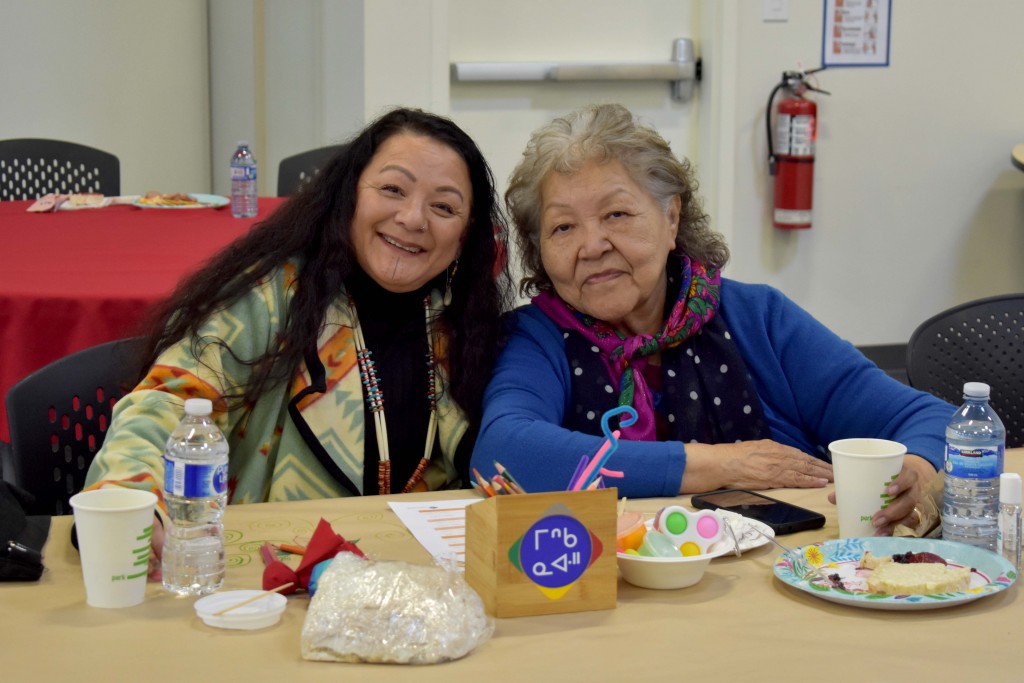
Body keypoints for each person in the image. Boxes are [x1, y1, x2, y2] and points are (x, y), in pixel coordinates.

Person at [472, 103, 952, 535]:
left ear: (671, 218)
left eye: (616, 214)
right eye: (562, 227)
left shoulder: (757, 318)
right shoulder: (537, 337)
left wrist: (916, 470)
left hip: (783, 571)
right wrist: (722, 465)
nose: (592, 246)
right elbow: (503, 452)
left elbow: (928, 418)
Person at [85, 108, 512, 565]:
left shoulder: (463, 322)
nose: (412, 218)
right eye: (392, 189)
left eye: (443, 207)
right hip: (274, 572)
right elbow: (169, 401)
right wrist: (130, 496)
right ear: (349, 194)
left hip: (418, 575)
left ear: (465, 236)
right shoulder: (274, 294)